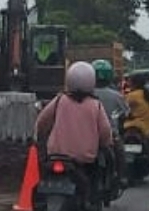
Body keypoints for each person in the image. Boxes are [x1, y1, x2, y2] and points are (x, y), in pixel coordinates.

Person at [34, 62, 115, 200]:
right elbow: (105, 132)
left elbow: (42, 123)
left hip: (55, 155)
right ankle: (93, 199)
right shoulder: (95, 105)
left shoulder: (60, 100)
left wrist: (39, 139)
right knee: (96, 177)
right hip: (84, 160)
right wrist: (106, 144)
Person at [92, 59, 129, 188]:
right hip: (110, 135)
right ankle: (122, 177)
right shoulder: (116, 96)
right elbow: (125, 115)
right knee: (120, 152)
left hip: (87, 134)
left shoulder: (86, 94)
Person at [124, 71, 149, 154]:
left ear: (134, 83)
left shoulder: (132, 96)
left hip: (132, 130)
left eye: (129, 82)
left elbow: (122, 108)